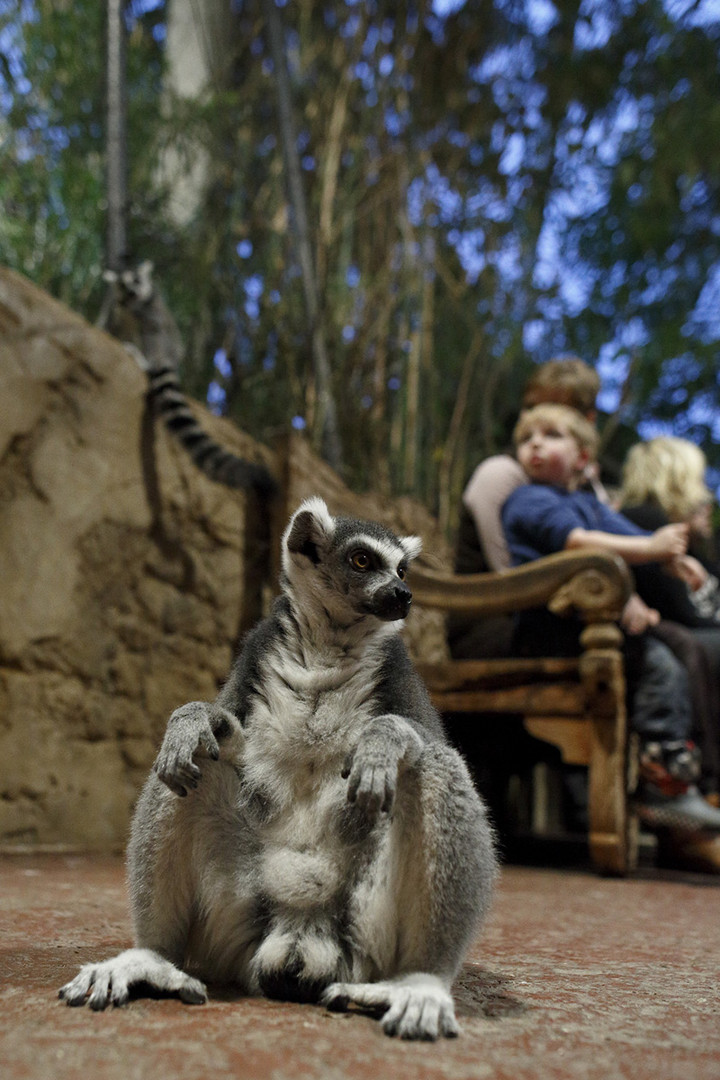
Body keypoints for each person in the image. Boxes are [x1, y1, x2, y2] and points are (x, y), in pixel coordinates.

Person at [501, 403, 720, 871]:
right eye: (527, 437)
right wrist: (649, 549)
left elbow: (623, 533)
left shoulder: (588, 503)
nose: (535, 443)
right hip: (549, 632)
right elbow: (576, 544)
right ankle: (665, 786)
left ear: (583, 458)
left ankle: (673, 779)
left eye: (552, 434)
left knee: (668, 657)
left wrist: (670, 560)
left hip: (588, 628)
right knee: (660, 664)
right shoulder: (528, 500)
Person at [618, 436, 720, 803]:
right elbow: (683, 614)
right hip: (654, 644)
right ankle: (706, 788)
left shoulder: (688, 543)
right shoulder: (645, 522)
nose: (707, 495)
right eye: (699, 480)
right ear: (674, 479)